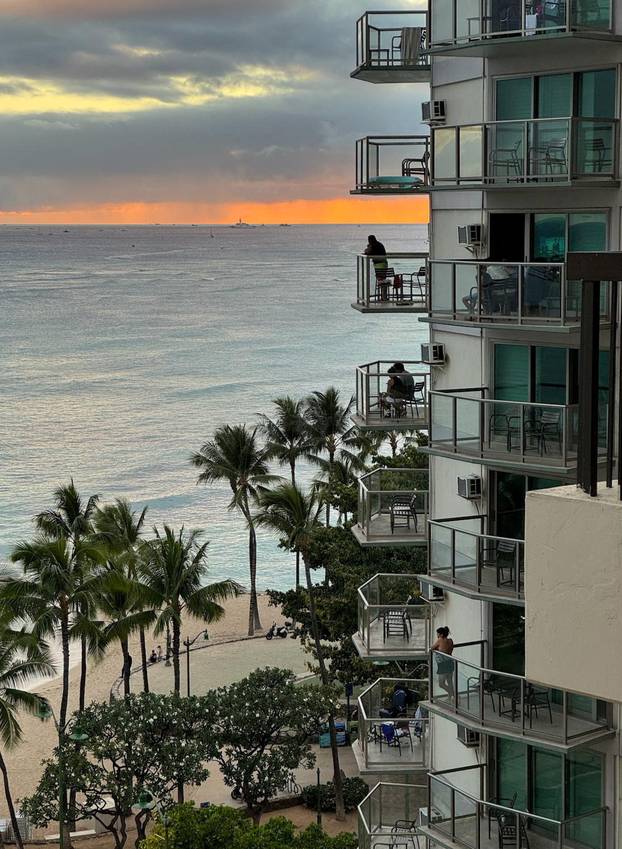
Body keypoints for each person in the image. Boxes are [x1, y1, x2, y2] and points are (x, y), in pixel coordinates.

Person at [364, 235, 390, 301]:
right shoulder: (379, 244)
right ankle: (383, 297)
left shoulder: (373, 246)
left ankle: (383, 297)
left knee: (381, 281)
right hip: (384, 263)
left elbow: (367, 252)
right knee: (383, 280)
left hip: (379, 264)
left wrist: (368, 247)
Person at [432, 626, 455, 700]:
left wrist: (437, 649)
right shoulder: (450, 641)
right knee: (450, 681)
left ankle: (453, 694)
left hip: (443, 664)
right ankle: (451, 697)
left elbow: (431, 648)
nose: (437, 635)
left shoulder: (440, 640)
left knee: (441, 684)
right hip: (450, 662)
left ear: (441, 634)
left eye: (438, 634)